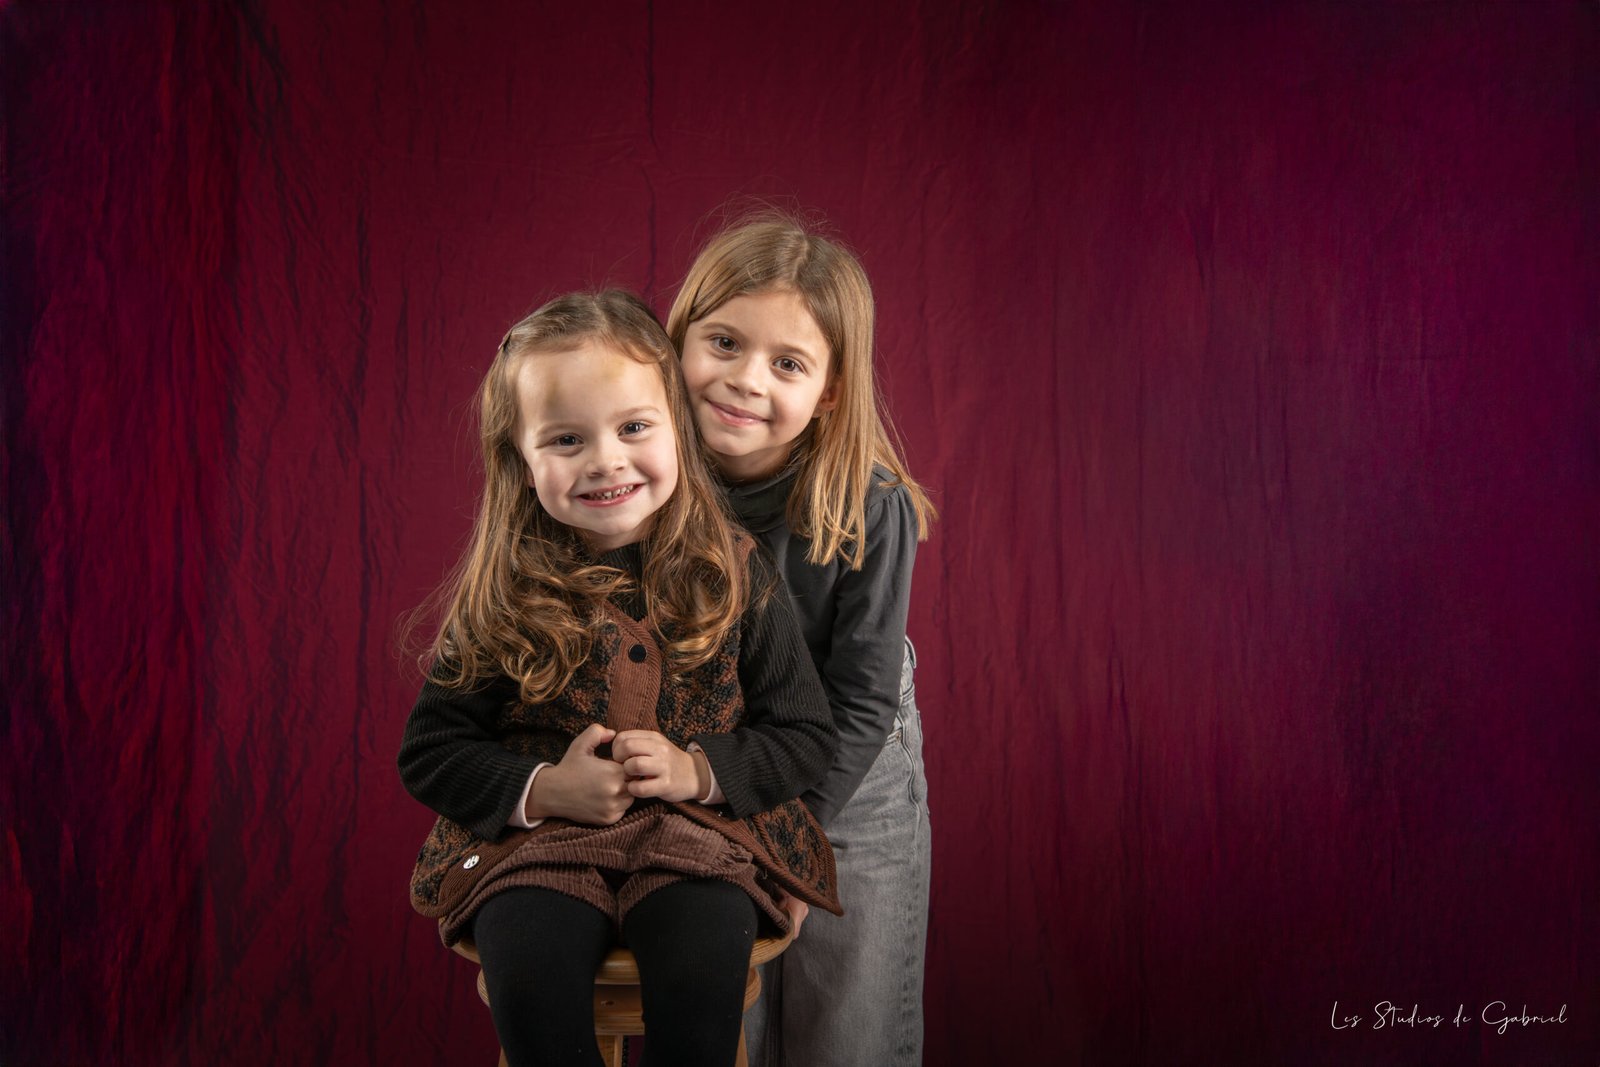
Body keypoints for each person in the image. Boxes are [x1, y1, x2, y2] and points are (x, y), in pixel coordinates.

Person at [397, 290, 841, 1067]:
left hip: (694, 841)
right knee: (529, 974)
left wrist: (700, 770)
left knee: (704, 963)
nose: (606, 459)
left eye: (634, 427)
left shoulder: (737, 573)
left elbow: (805, 735)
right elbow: (431, 750)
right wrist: (541, 787)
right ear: (521, 457)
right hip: (542, 849)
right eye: (567, 438)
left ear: (677, 426)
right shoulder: (504, 591)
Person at [666, 212, 936, 1066]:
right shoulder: (643, 475)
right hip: (716, 761)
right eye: (723, 342)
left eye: (787, 363)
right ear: (676, 341)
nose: (747, 380)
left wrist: (795, 848)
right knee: (720, 1017)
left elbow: (861, 699)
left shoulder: (869, 502)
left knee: (847, 1030)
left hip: (851, 775)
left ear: (828, 388)